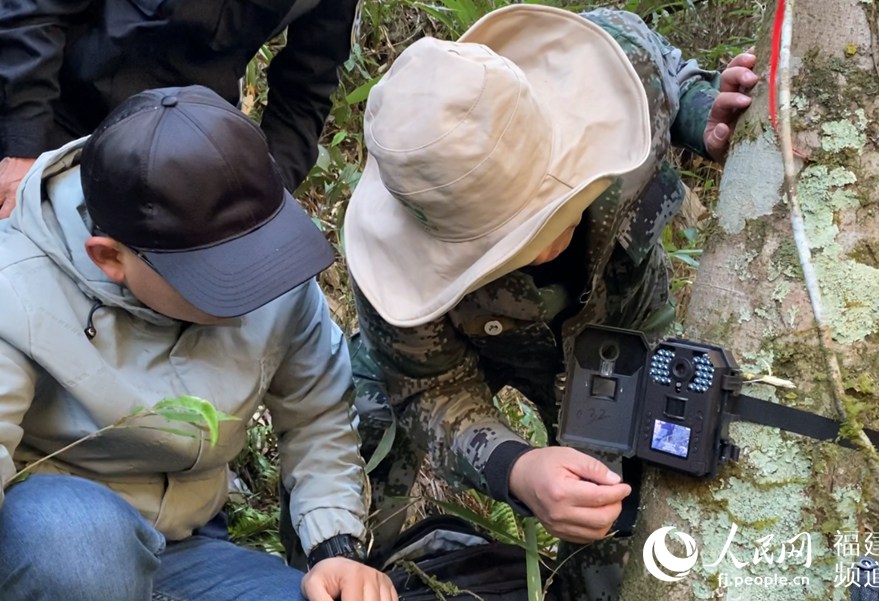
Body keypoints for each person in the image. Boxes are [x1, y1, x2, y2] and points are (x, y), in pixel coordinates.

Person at [342, 4, 758, 600]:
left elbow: (677, 79)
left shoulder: (618, 65)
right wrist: (514, 468)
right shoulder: (393, 267)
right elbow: (429, 389)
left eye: (545, 212)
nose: (539, 250)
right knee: (360, 445)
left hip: (622, 330)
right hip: (468, 350)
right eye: (504, 245)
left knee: (614, 529)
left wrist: (705, 116)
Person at [0, 85, 397, 601]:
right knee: (79, 545)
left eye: (258, 253)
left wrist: (335, 549)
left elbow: (317, 416)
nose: (254, 284)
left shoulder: (275, 270)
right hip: (54, 544)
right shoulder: (16, 285)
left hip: (190, 545)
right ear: (110, 258)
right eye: (217, 273)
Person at [0, 0, 356, 217]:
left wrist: (263, 197)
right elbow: (34, 11)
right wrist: (24, 147)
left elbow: (307, 89)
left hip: (178, 159)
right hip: (55, 107)